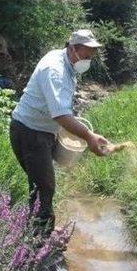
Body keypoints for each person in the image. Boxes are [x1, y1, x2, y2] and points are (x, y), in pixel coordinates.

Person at [9, 29, 109, 236]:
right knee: (44, 186)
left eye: (92, 55)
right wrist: (89, 137)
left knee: (41, 181)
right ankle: (39, 243)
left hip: (39, 131)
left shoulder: (65, 60)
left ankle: (40, 229)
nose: (89, 59)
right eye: (86, 54)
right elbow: (61, 115)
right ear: (72, 48)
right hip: (30, 133)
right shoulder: (55, 70)